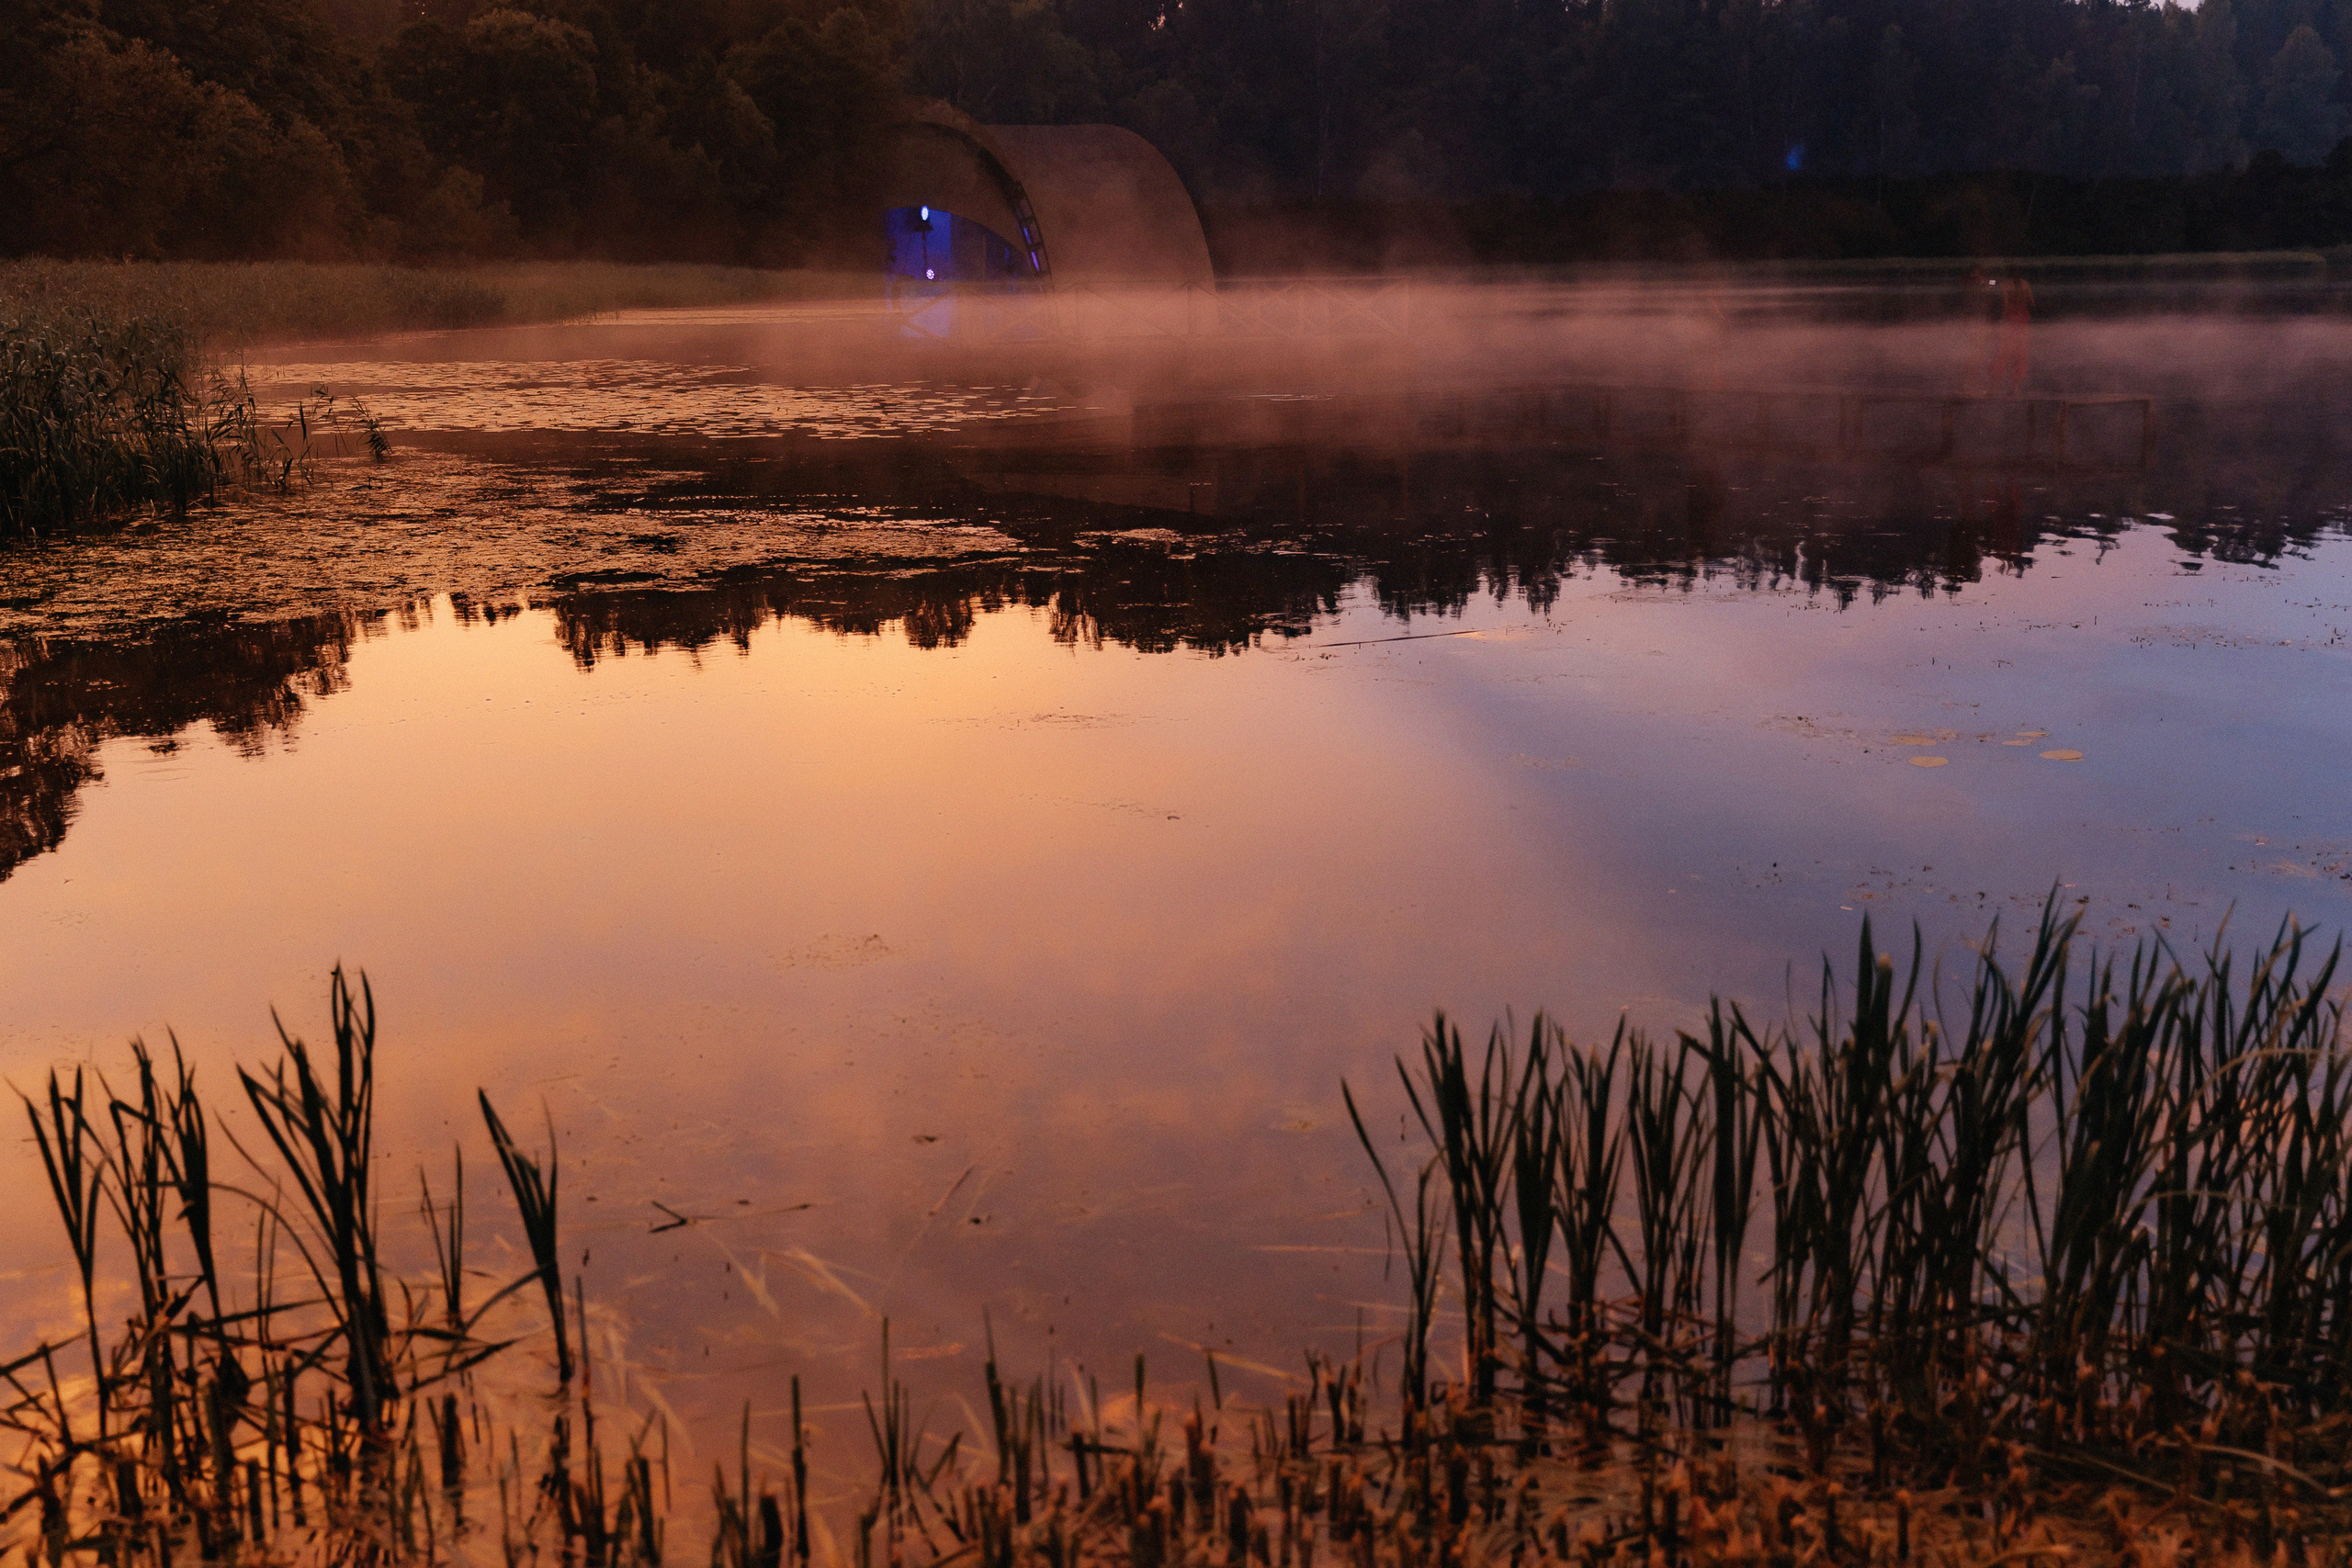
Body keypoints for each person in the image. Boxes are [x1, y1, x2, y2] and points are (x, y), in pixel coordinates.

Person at [1986, 272, 2033, 395]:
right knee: (2020, 355)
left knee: (2003, 354)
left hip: (2011, 319)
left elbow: (2006, 304)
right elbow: (2031, 301)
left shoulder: (2005, 285)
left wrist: (2002, 320)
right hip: (2023, 319)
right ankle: (2015, 388)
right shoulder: (2025, 284)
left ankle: (1993, 388)